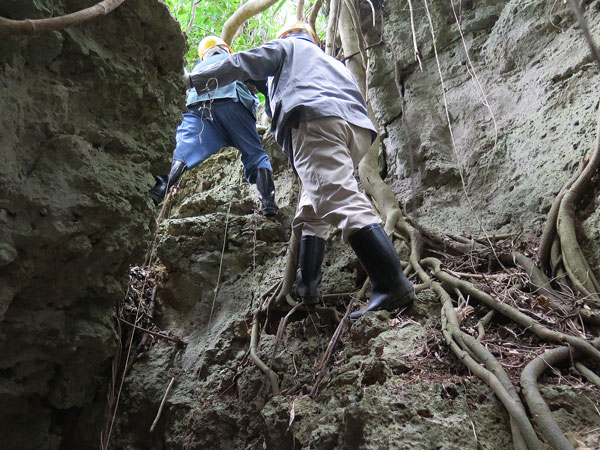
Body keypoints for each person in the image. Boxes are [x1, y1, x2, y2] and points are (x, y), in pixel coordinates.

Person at [185, 22, 414, 321]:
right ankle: (308, 293)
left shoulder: (287, 47)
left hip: (314, 121)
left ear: (286, 37)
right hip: (355, 132)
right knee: (312, 211)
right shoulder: (331, 62)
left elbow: (241, 62)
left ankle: (391, 284)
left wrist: (192, 79)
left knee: (338, 198)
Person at [150, 36, 279, 217]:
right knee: (255, 155)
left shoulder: (197, 68)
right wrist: (272, 112)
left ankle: (158, 189)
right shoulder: (233, 59)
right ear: (226, 49)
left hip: (198, 109)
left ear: (203, 55)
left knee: (183, 150)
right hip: (234, 105)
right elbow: (264, 84)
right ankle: (268, 203)